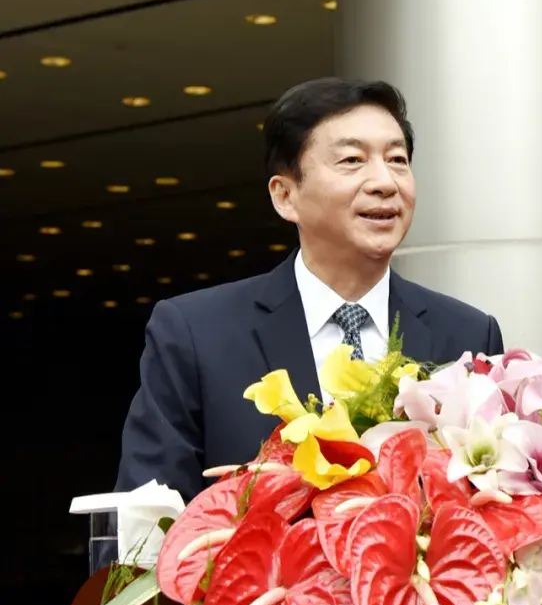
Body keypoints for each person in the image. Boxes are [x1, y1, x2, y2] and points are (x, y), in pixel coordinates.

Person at [113, 78, 504, 505]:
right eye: (352, 160)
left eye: (397, 160)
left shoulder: (468, 336)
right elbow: (145, 519)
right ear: (285, 196)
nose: (385, 182)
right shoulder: (196, 334)